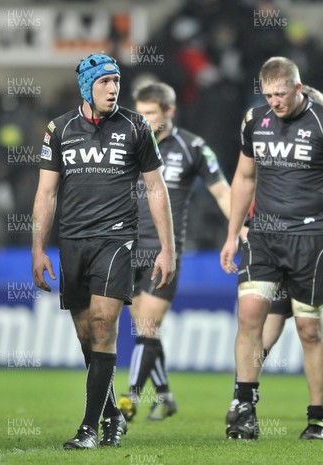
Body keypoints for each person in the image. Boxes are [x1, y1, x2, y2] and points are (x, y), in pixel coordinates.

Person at [32, 54, 176, 449]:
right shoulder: (58, 129)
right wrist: (38, 248)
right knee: (86, 336)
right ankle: (112, 414)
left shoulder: (136, 126)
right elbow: (46, 193)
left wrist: (168, 247)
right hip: (73, 243)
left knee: (102, 325)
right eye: (104, 82)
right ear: (86, 87)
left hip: (116, 241)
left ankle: (88, 429)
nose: (113, 89)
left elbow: (155, 188)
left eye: (116, 80)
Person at [220, 57, 323, 440]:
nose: (275, 102)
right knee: (250, 316)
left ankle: (318, 417)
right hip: (264, 237)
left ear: (298, 88)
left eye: (281, 94)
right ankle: (244, 407)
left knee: (309, 330)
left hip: (310, 240)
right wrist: (233, 232)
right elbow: (244, 176)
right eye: (268, 95)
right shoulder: (254, 121)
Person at [118, 81, 232, 421]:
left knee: (148, 326)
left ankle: (129, 400)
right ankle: (165, 396)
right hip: (127, 249)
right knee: (143, 330)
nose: (145, 119)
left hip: (164, 252)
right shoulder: (128, 144)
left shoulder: (193, 147)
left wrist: (240, 229)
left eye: (151, 113)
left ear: (169, 111)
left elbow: (223, 192)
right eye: (140, 113)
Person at [258, 85, 323, 435]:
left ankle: (242, 401)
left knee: (265, 336)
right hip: (316, 258)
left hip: (276, 250)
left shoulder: (279, 166)